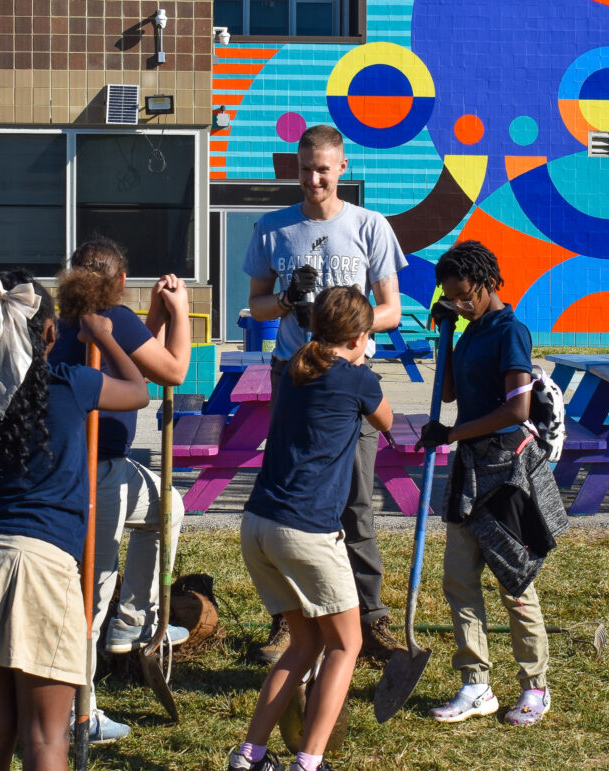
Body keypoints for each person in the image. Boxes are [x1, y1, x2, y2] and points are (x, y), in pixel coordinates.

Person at [0, 269, 149, 769]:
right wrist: (104, 339)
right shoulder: (70, 384)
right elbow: (138, 390)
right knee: (45, 737)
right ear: (50, 331)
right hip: (44, 562)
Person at [244, 124, 409, 664]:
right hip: (291, 376)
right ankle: (288, 621)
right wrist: (287, 301)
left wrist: (348, 333)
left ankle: (371, 618)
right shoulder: (272, 228)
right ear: (293, 168)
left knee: (356, 498)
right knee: (289, 489)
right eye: (304, 168)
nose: (314, 178)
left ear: (342, 168)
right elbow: (257, 305)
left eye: (323, 168)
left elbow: (391, 309)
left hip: (351, 380)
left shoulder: (370, 226)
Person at [229, 286, 393, 771]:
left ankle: (250, 755)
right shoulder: (356, 379)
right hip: (306, 531)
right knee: (347, 644)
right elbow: (385, 419)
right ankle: (309, 761)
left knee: (304, 645)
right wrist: (364, 370)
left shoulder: (298, 369)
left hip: (258, 522)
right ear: (362, 337)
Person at [414, 241, 569, 726]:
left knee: (515, 582)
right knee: (459, 581)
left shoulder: (510, 332)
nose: (456, 303)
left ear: (484, 285)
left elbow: (515, 411)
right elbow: (452, 390)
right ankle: (475, 684)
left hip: (505, 475)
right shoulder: (470, 331)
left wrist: (452, 432)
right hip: (468, 472)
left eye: (462, 296)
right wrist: (445, 331)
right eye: (449, 297)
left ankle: (534, 686)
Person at [50, 237, 192, 743]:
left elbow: (126, 358)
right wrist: (182, 314)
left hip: (79, 467)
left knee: (168, 507)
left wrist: (151, 317)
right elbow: (171, 369)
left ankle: (131, 624)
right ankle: (76, 710)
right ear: (120, 283)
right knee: (92, 587)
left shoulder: (67, 316)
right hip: (98, 472)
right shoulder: (109, 313)